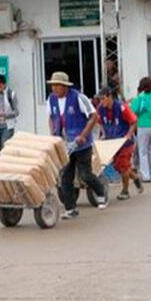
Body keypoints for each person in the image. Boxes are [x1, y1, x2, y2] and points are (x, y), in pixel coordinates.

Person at [47, 71, 107, 219]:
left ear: (65, 86)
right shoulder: (51, 100)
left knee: (85, 175)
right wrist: (53, 133)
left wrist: (83, 135)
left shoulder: (78, 98)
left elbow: (94, 116)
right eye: (52, 85)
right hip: (64, 144)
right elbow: (51, 117)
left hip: (81, 143)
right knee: (65, 177)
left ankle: (100, 192)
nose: (54, 89)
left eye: (57, 86)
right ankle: (70, 209)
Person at [96, 87, 142, 200]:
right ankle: (135, 177)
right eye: (100, 99)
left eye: (103, 98)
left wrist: (129, 134)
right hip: (112, 142)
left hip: (125, 142)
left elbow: (134, 121)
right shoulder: (100, 109)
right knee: (118, 166)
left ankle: (125, 191)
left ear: (110, 96)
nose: (101, 102)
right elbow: (99, 121)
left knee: (122, 165)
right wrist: (102, 134)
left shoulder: (122, 107)